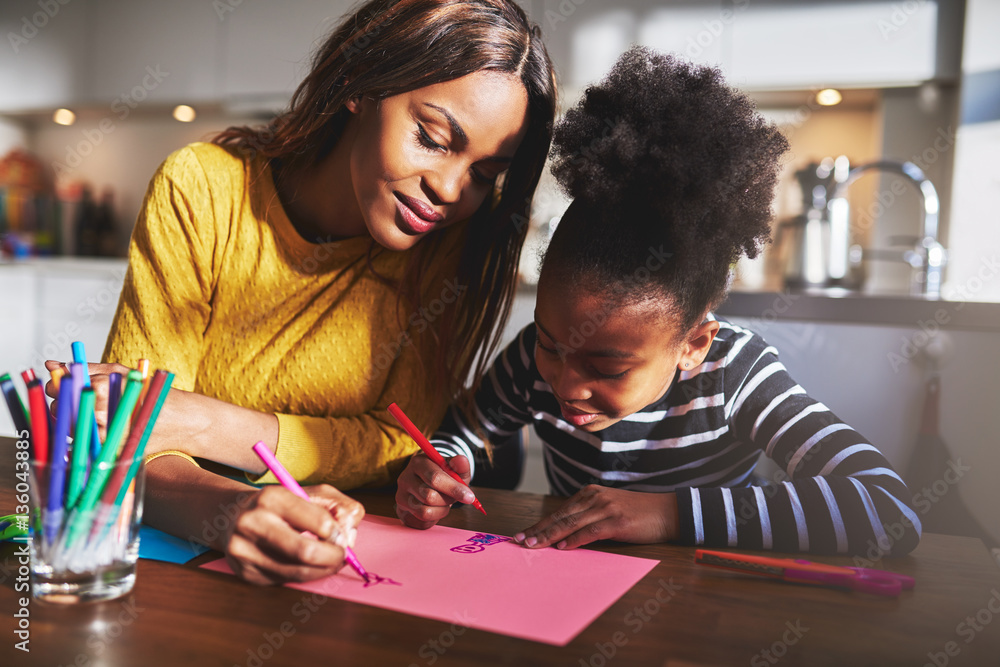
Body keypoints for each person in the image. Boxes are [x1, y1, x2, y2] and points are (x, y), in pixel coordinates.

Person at [46, 0, 556, 584]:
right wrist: (230, 509)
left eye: (485, 174)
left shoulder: (453, 240)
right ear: (358, 85)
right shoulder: (202, 189)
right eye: (433, 137)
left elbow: (398, 443)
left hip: (352, 551)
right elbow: (128, 441)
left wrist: (204, 423)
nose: (448, 189)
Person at [395, 46, 921, 557]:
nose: (567, 383)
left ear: (693, 343)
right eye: (552, 347)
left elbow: (887, 508)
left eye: (607, 367)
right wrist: (442, 467)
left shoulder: (733, 374)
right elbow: (463, 434)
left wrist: (667, 515)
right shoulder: (536, 358)